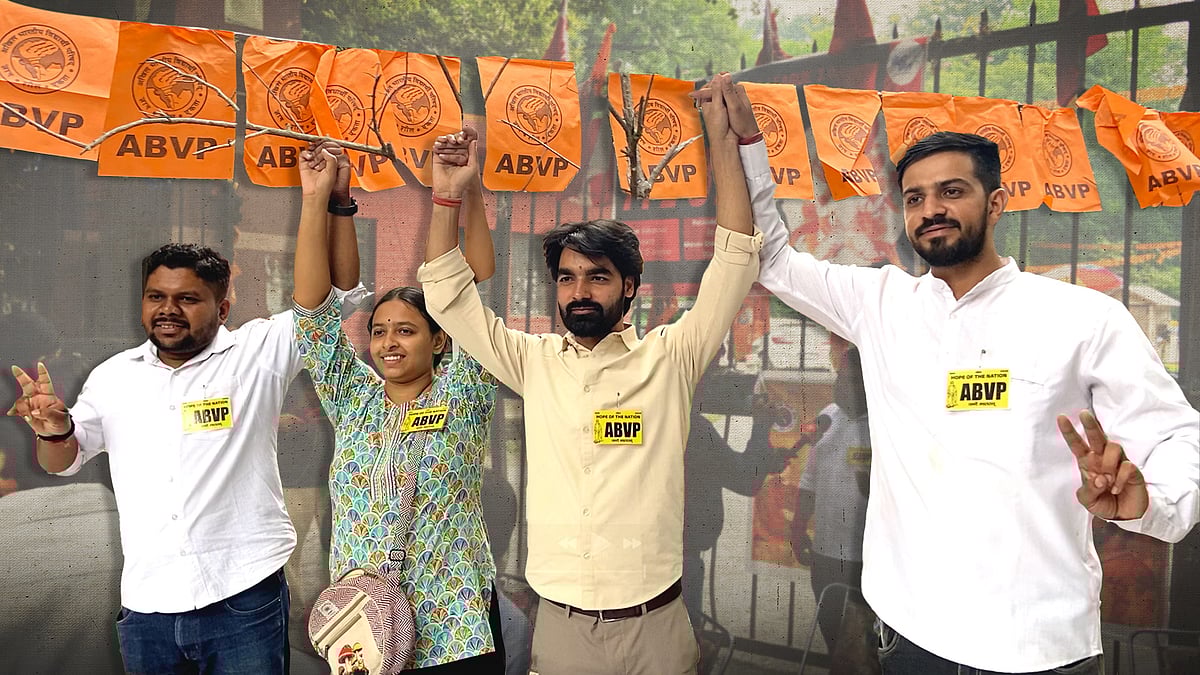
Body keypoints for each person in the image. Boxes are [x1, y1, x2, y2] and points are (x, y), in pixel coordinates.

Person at [741, 127, 1199, 673]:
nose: (931, 209)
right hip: (911, 636)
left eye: (952, 191)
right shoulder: (882, 304)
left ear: (997, 202)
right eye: (916, 198)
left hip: (1037, 647)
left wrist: (1152, 503)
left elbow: (1175, 434)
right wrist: (746, 142)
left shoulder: (1083, 320)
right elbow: (771, 259)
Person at [417, 73, 761, 675]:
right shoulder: (533, 362)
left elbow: (734, 257)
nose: (579, 291)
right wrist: (448, 196)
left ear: (629, 286)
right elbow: (448, 297)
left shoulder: (670, 358)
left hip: (656, 629)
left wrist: (722, 144)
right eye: (567, 277)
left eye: (597, 276)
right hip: (563, 631)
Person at [6, 200, 361, 673]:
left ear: (224, 307)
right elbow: (62, 460)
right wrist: (56, 430)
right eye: (156, 296)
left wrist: (331, 204)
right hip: (147, 607)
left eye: (188, 299)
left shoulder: (258, 352)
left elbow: (340, 294)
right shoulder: (113, 377)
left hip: (242, 597)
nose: (168, 310)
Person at [292, 135, 505, 672]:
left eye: (406, 331)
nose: (388, 342)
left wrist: (455, 195)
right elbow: (312, 315)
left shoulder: (463, 392)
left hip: (452, 630)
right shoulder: (354, 399)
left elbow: (470, 289)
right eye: (380, 330)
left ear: (438, 340)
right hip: (363, 636)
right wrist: (316, 199)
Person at [790, 346, 875, 672]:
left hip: (864, 560)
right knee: (833, 639)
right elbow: (809, 480)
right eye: (840, 374)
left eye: (849, 376)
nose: (841, 382)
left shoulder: (882, 425)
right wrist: (798, 528)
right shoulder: (829, 417)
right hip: (825, 556)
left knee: (864, 648)